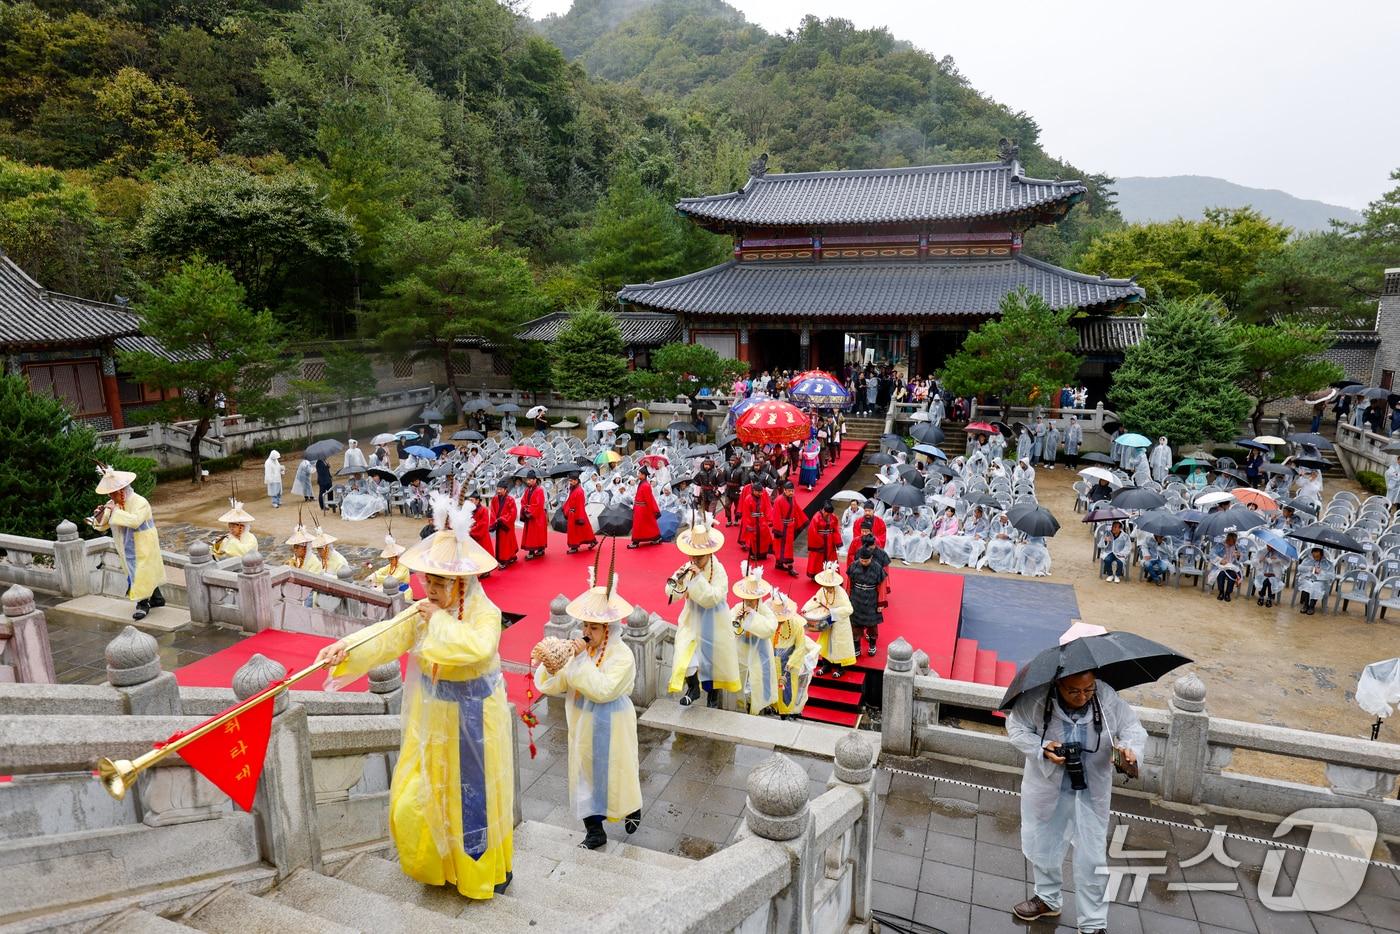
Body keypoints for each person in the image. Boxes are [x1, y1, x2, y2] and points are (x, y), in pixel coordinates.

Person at [315, 516, 512, 899]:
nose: (430, 589)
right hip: (433, 721)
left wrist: (438, 621)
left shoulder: (485, 614)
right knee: (422, 797)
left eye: (440, 582)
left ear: (462, 582)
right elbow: (385, 637)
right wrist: (345, 649)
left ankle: (481, 874)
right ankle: (440, 865)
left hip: (474, 723)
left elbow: (477, 648)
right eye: (428, 580)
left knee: (473, 801)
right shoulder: (424, 611)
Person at [1007, 667, 1146, 934]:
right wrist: (1042, 747)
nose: (1082, 696)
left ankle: (1093, 924)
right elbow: (1016, 728)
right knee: (1044, 844)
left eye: (1087, 689)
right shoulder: (1037, 699)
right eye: (1073, 691)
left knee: (1092, 858)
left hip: (1091, 791)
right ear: (1058, 684)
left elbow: (1132, 728)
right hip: (1049, 787)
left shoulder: (1105, 697)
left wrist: (1130, 750)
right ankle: (1047, 898)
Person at [533, 565, 644, 849]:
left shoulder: (623, 655)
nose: (586, 632)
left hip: (613, 723)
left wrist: (579, 661)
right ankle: (594, 831)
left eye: (594, 627)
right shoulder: (579, 653)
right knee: (584, 777)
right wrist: (551, 663)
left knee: (619, 771)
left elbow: (603, 691)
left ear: (608, 629)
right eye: (585, 626)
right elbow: (553, 685)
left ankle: (631, 807)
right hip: (582, 725)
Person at [665, 518, 738, 708]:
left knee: (713, 662)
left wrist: (698, 579)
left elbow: (712, 598)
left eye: (700, 556)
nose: (695, 559)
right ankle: (693, 688)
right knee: (685, 654)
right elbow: (672, 592)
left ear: (710, 552)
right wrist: (678, 583)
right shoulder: (687, 567)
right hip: (692, 619)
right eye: (693, 555)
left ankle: (713, 697)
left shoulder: (719, 570)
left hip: (714, 621)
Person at [87, 465, 165, 620]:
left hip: (143, 544)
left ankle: (142, 604)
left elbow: (135, 521)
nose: (111, 496)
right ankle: (157, 598)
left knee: (140, 572)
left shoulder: (140, 502)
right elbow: (103, 526)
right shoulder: (113, 503)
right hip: (125, 544)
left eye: (113, 492)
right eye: (110, 493)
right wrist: (99, 516)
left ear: (122, 490)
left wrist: (114, 511)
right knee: (140, 572)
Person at [730, 563, 779, 715]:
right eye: (746, 599)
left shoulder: (765, 610)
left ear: (758, 598)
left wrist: (752, 617)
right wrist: (739, 621)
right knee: (740, 683)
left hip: (760, 654)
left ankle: (758, 709)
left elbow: (770, 628)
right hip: (741, 653)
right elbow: (729, 627)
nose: (748, 602)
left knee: (758, 684)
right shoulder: (738, 608)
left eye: (751, 600)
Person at [769, 590, 816, 720]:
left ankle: (785, 712)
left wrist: (791, 663)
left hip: (789, 661)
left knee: (787, 688)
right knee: (772, 684)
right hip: (772, 659)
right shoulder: (770, 622)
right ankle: (773, 707)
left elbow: (800, 646)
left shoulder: (796, 625)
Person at [803, 561, 855, 678]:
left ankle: (840, 668)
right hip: (827, 621)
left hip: (840, 622)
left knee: (839, 645)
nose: (827, 588)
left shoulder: (841, 592)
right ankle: (826, 665)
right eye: (826, 586)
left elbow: (849, 609)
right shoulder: (823, 590)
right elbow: (815, 600)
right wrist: (806, 609)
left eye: (829, 587)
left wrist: (833, 612)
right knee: (825, 644)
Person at [846, 547, 887, 658]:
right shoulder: (854, 566)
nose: (863, 562)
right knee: (855, 625)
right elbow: (849, 583)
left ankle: (872, 646)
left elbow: (882, 586)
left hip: (871, 598)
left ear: (871, 558)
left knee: (872, 625)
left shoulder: (877, 568)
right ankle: (857, 648)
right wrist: (847, 598)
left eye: (866, 561)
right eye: (862, 560)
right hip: (856, 598)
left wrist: (881, 603)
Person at [769, 480, 800, 576]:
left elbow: (796, 509)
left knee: (788, 547)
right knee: (781, 546)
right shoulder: (778, 500)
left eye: (792, 491)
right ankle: (789, 567)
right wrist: (778, 530)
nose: (791, 493)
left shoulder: (793, 498)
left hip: (790, 526)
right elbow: (776, 515)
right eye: (789, 491)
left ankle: (779, 563)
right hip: (782, 527)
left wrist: (799, 522)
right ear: (784, 490)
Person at [628, 467, 662, 548]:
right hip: (639, 508)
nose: (638, 475)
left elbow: (649, 499)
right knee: (646, 525)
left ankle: (636, 542)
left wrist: (653, 510)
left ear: (644, 475)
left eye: (639, 474)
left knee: (642, 525)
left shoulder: (646, 485)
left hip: (643, 510)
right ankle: (654, 539)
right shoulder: (642, 483)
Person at [806, 502, 841, 579]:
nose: (828, 515)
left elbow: (835, 529)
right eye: (826, 513)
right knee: (817, 558)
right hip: (819, 540)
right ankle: (816, 574)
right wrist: (820, 542)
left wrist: (838, 542)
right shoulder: (816, 517)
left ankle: (831, 574)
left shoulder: (833, 517)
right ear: (823, 510)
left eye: (829, 513)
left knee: (831, 557)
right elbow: (812, 531)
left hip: (830, 541)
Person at [562, 474, 596, 554]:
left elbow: (581, 505)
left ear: (576, 481)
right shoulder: (573, 489)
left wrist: (580, 517)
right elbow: (569, 500)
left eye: (571, 481)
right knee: (584, 529)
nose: (570, 482)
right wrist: (565, 508)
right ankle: (592, 541)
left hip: (577, 513)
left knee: (577, 530)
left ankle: (574, 547)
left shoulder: (579, 491)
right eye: (569, 481)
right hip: (573, 513)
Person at [1295, 546, 1333, 615]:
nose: (1315, 558)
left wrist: (1321, 572)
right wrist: (1311, 568)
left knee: (1316, 586)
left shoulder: (1327, 563)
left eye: (1317, 556)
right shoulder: (1308, 559)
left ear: (1321, 555)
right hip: (1308, 578)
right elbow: (1299, 568)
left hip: (1320, 581)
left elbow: (1331, 575)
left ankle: (1312, 606)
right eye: (1314, 556)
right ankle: (1306, 605)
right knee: (1307, 584)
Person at [519, 471, 548, 560]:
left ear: (535, 480)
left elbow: (539, 504)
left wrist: (529, 509)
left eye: (530, 480)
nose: (528, 481)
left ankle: (536, 551)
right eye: (527, 480)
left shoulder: (539, 490)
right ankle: (537, 550)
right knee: (532, 534)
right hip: (530, 513)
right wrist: (525, 508)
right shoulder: (527, 490)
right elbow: (523, 500)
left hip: (538, 515)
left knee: (536, 534)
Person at [489, 480, 519, 568]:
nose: (498, 491)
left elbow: (513, 513)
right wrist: (494, 521)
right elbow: (492, 511)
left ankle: (505, 560)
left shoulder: (510, 500)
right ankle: (510, 557)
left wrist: (502, 519)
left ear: (505, 490)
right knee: (501, 542)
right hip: (498, 523)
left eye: (501, 489)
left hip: (506, 524)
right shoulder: (494, 499)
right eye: (497, 489)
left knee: (507, 542)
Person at [1208, 531, 1243, 602]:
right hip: (1221, 566)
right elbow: (1211, 554)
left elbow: (1243, 558)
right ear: (1227, 539)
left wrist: (1238, 556)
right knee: (1221, 574)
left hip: (1232, 567)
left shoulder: (1237, 547)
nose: (1232, 544)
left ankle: (1228, 593)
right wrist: (1220, 560)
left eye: (1234, 542)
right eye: (1231, 542)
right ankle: (1221, 592)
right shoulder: (1220, 545)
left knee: (1233, 575)